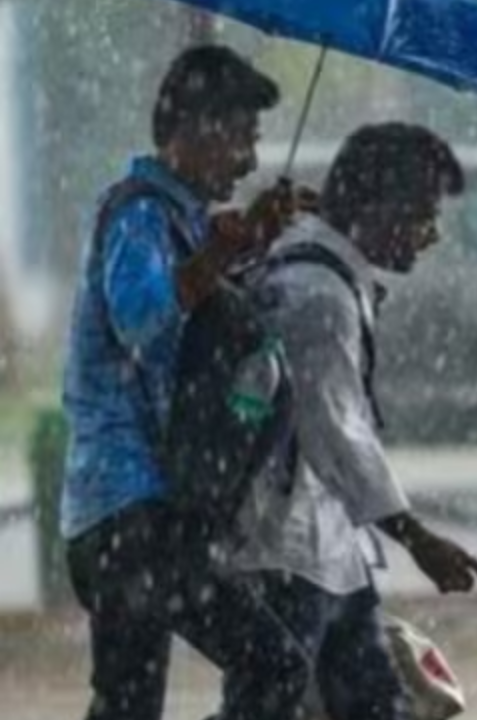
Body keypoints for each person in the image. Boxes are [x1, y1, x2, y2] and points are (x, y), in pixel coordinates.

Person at [60, 45, 312, 720]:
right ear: (199, 129)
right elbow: (142, 317)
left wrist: (252, 240)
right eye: (242, 139)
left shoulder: (183, 221)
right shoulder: (137, 214)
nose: (251, 161)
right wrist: (221, 253)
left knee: (133, 704)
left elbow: (207, 328)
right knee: (274, 666)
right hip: (126, 513)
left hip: (150, 517)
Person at [231, 122, 477, 720]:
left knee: (366, 702)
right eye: (423, 214)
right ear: (377, 208)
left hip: (323, 547)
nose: (432, 234)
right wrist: (417, 538)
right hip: (288, 547)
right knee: (276, 703)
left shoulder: (309, 263)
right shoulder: (319, 297)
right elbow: (339, 435)